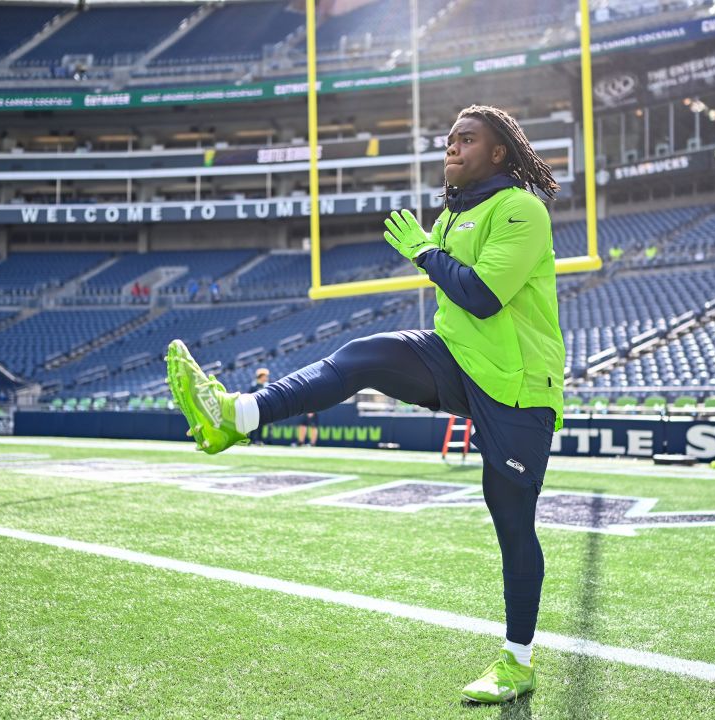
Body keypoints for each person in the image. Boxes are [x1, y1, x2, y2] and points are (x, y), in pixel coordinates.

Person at [166, 104, 564, 704]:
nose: (452, 148)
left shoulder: (520, 209)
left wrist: (427, 255)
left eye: (467, 140)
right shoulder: (460, 214)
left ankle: (517, 660)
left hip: (518, 385)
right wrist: (435, 249)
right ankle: (236, 416)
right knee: (361, 357)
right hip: (458, 358)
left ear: (500, 152)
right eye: (449, 140)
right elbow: (462, 306)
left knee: (512, 524)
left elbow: (482, 297)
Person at [247, 368, 270, 445]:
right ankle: (251, 440)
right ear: (260, 376)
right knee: (252, 425)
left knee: (261, 425)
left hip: (263, 409)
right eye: (265, 376)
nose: (266, 378)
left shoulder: (267, 386)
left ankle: (259, 440)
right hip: (254, 408)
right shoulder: (254, 386)